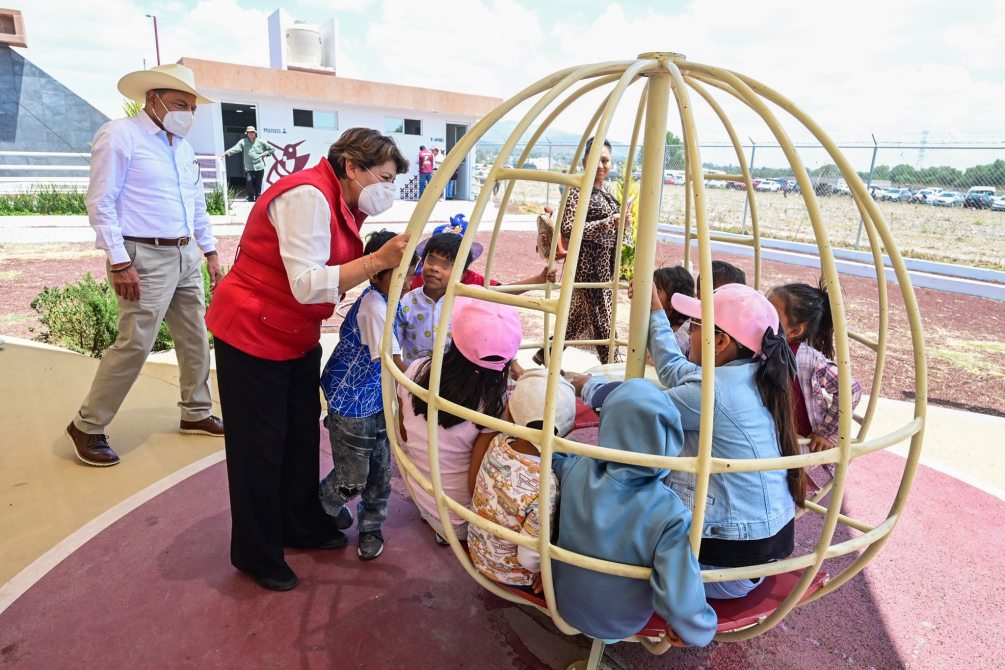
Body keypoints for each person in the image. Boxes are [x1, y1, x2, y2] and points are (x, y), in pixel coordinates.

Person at [205, 128, 411, 591]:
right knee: (258, 450)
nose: (387, 190)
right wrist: (377, 260)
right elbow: (307, 283)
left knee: (299, 437)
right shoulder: (308, 196)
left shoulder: (342, 201)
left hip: (294, 335)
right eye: (382, 177)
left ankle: (300, 523)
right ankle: (257, 553)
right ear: (351, 166)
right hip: (252, 334)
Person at [578, 283, 804, 600]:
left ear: (721, 341)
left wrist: (589, 386)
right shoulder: (752, 373)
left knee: (608, 494)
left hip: (718, 567)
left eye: (694, 326)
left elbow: (639, 406)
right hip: (756, 558)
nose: (689, 332)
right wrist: (655, 310)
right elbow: (674, 368)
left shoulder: (715, 392)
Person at [65, 63, 224, 468]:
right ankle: (87, 425)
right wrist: (118, 262)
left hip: (186, 254)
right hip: (142, 256)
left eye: (191, 105)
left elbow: (197, 205)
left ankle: (195, 411)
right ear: (152, 99)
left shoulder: (182, 147)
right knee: (135, 342)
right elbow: (100, 201)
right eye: (178, 103)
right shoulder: (120, 136)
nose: (186, 111)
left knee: (194, 337)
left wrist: (210, 253)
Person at [551, 380, 717, 646]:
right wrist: (698, 630)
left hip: (563, 602)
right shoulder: (670, 514)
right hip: (624, 621)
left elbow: (551, 455)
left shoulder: (576, 471)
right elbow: (680, 595)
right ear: (669, 438)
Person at [318, 231, 416, 562]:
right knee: (353, 477)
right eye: (400, 274)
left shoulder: (390, 299)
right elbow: (391, 362)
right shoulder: (374, 306)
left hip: (374, 401)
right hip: (352, 405)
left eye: (410, 272)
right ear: (376, 274)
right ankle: (318, 508)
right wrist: (425, 387)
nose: (407, 281)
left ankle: (370, 526)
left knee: (380, 473)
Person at [396, 297, 522, 544]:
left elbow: (403, 431)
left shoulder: (418, 368)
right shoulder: (491, 404)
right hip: (458, 520)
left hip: (418, 488)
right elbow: (477, 480)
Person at [467, 369, 577, 593]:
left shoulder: (498, 442)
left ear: (508, 411)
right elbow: (529, 559)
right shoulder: (546, 484)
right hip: (510, 574)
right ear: (568, 431)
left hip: (477, 549)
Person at [400, 230, 553, 366]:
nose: (434, 268)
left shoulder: (466, 299)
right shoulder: (408, 299)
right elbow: (393, 343)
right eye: (431, 260)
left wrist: (538, 280)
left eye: (445, 264)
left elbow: (499, 293)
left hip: (453, 377)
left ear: (462, 273)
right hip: (415, 375)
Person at [767, 281, 862, 464]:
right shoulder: (764, 344)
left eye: (771, 313)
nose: (761, 315)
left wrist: (826, 432)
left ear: (794, 331)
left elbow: (851, 388)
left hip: (800, 442)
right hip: (774, 432)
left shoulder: (808, 360)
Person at [559, 137, 632, 363]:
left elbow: (614, 223)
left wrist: (623, 223)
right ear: (584, 162)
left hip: (606, 262)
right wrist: (610, 222)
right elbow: (569, 227)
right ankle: (612, 364)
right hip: (587, 264)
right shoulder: (576, 189)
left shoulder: (608, 189)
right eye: (595, 160)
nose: (600, 166)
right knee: (602, 317)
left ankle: (548, 353)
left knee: (579, 319)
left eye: (605, 160)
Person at [221, 125, 275, 202]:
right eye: (249, 132)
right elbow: (235, 148)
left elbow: (272, 149)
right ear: (247, 133)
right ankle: (250, 197)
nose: (251, 134)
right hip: (249, 166)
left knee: (258, 183)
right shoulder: (243, 142)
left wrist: (265, 153)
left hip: (259, 165)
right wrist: (225, 153)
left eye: (252, 132)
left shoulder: (261, 142)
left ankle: (258, 197)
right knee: (249, 182)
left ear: (255, 133)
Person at [653, 265, 695, 351]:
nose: (651, 294)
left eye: (655, 291)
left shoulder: (688, 329)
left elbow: (668, 349)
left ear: (674, 301)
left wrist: (655, 307)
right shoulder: (654, 319)